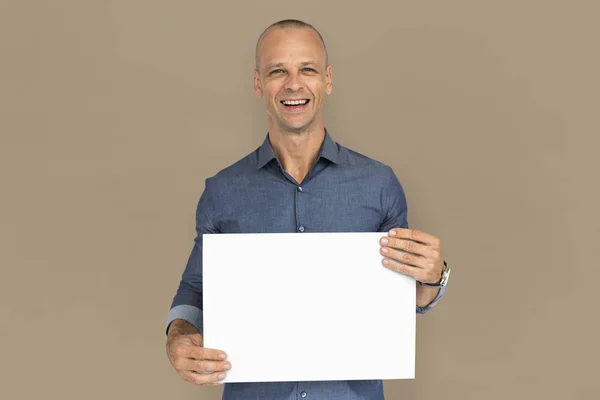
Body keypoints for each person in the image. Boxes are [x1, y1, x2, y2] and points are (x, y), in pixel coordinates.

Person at [165, 19, 450, 400]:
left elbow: (402, 297)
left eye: (308, 69)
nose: (294, 84)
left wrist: (434, 277)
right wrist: (178, 338)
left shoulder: (378, 185)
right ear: (257, 84)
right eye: (277, 71)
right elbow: (196, 287)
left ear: (327, 80)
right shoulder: (223, 191)